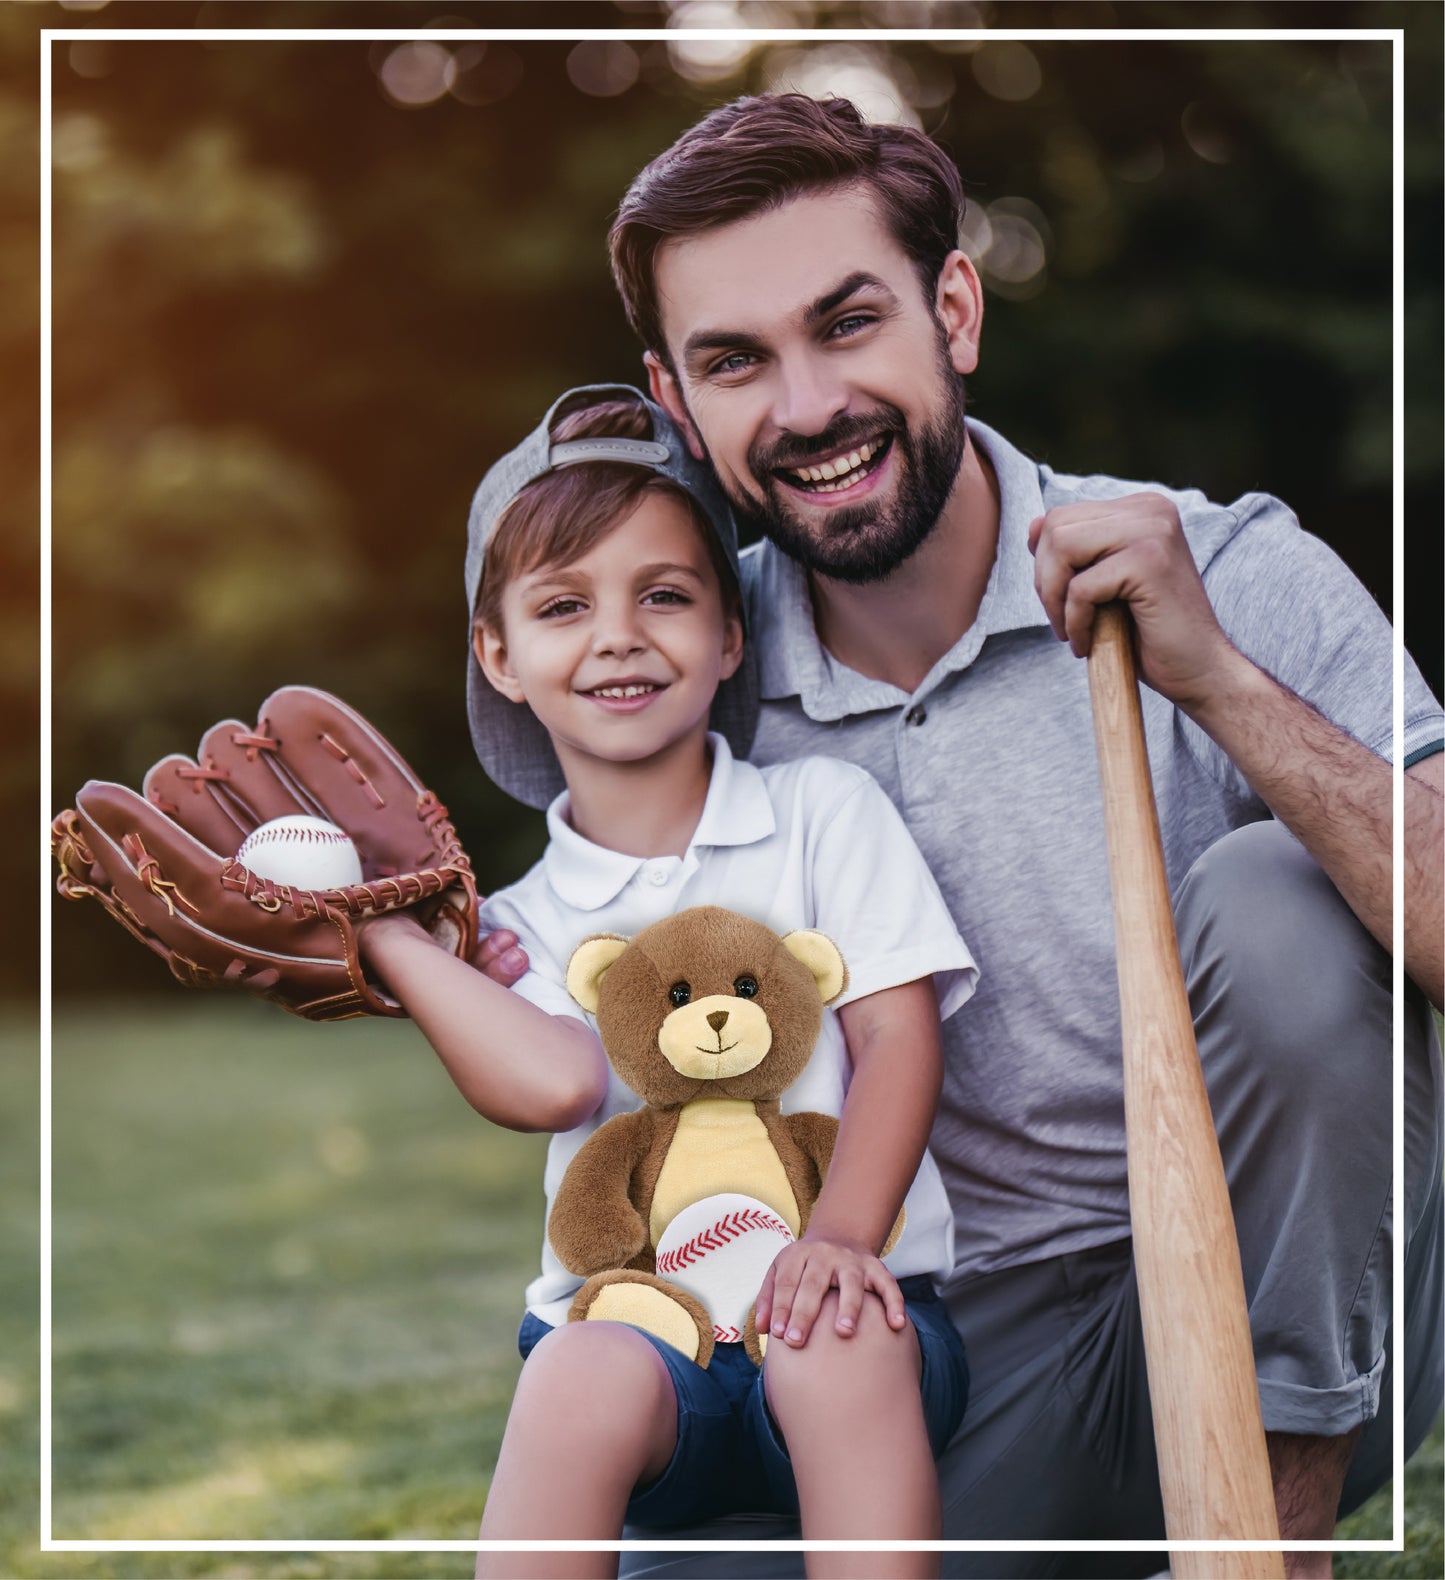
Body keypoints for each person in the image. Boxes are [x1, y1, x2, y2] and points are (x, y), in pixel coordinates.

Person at [480, 94, 1444, 1579]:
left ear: (954, 308)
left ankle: (1265, 1553)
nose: (804, 408)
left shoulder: (1225, 567)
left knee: (1276, 898)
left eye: (847, 323)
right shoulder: (686, 667)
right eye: (736, 362)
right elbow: (554, 939)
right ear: (676, 403)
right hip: (917, 1345)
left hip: (1279, 1302)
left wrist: (1218, 681)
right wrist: (380, 942)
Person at [361, 384, 977, 1580]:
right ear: (498, 653)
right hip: (650, 1353)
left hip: (861, 1321)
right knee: (575, 1366)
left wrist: (839, 1236)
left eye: (664, 594)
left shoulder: (817, 814)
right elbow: (551, 1083)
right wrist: (392, 939)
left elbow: (900, 1040)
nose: (617, 635)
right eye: (559, 605)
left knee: (831, 1333)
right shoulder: (521, 922)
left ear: (730, 631)